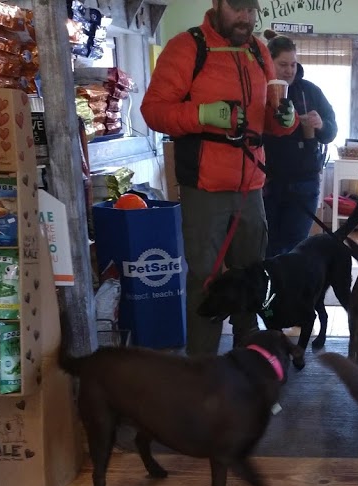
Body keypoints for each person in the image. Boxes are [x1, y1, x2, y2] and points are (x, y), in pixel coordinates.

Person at [140, 0, 298, 357]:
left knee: (253, 275)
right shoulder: (187, 47)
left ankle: (250, 357)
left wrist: (284, 122)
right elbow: (153, 111)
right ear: (216, 4)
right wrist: (202, 114)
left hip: (250, 186)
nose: (246, 17)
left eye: (251, 9)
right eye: (237, 8)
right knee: (205, 279)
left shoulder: (258, 51)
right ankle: (201, 368)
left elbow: (266, 118)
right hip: (205, 187)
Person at [261, 32, 338, 257]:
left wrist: (321, 124)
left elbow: (331, 131)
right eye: (283, 64)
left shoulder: (311, 91)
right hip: (268, 183)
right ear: (269, 62)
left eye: (293, 64)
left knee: (295, 250)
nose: (289, 70)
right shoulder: (258, 91)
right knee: (267, 247)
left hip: (305, 182)